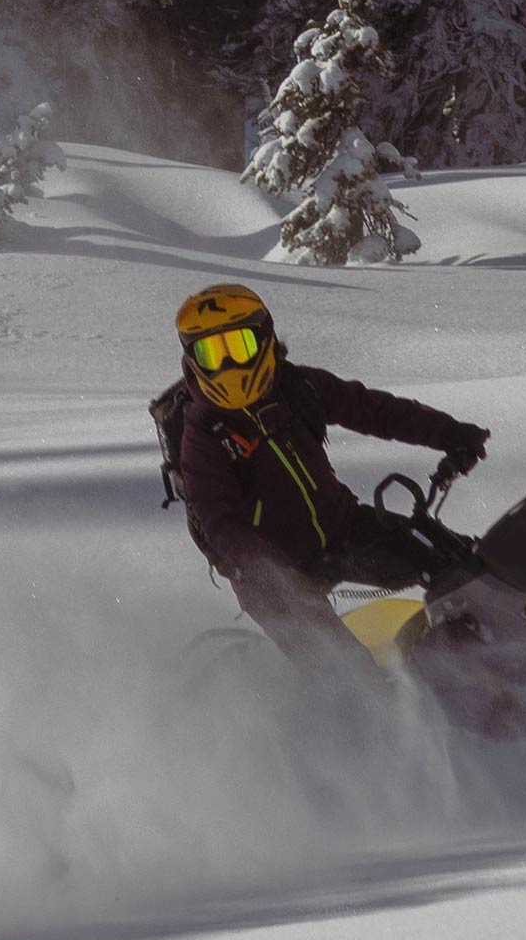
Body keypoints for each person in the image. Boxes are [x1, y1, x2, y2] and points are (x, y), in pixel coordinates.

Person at [161, 283, 491, 667]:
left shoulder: (297, 387)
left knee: (464, 570)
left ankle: (497, 660)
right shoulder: (203, 434)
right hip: (271, 577)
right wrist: (272, 570)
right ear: (193, 360)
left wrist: (452, 435)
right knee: (347, 676)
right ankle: (344, 723)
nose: (229, 365)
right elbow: (219, 522)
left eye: (239, 346)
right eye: (213, 353)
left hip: (343, 528)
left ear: (265, 338)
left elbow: (374, 410)